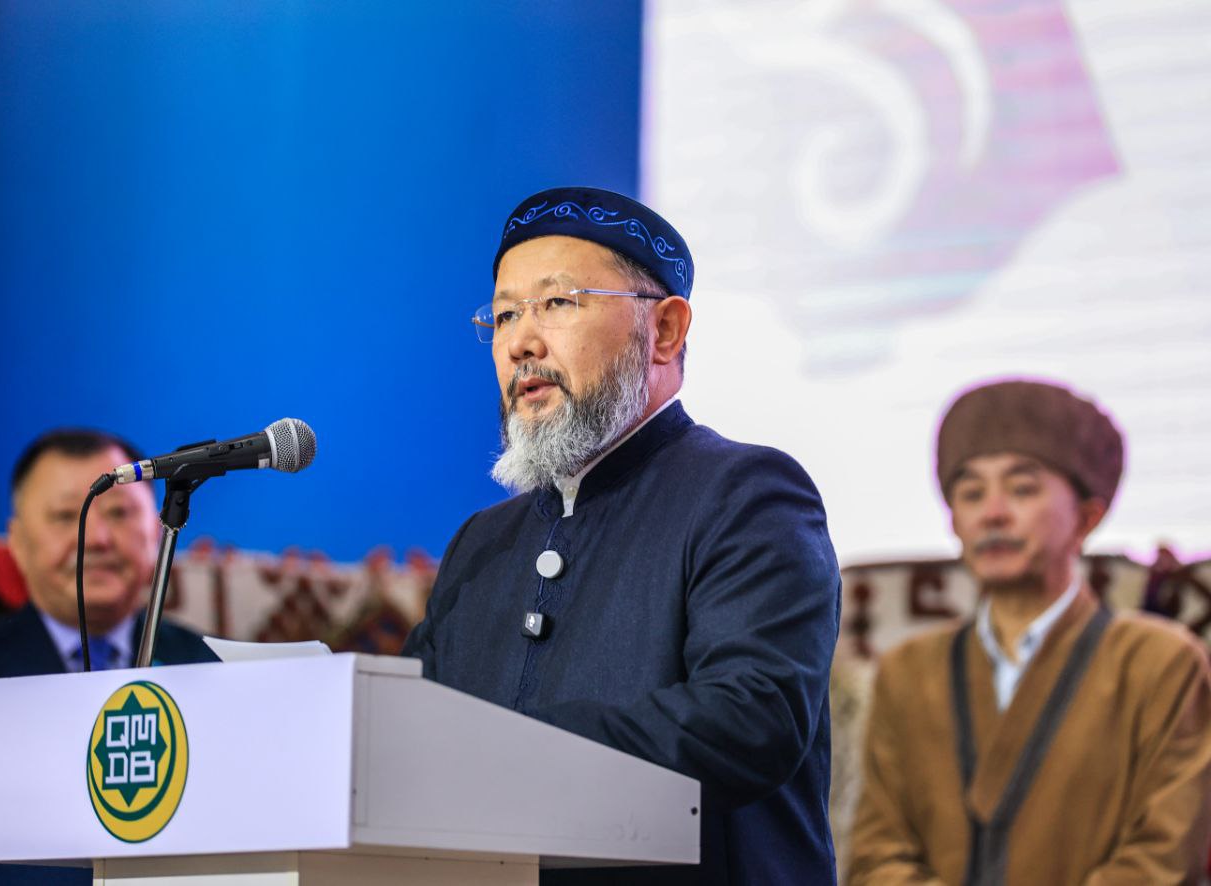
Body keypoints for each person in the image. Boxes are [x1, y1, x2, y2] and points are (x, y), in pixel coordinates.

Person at [403, 186, 842, 884]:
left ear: (664, 330)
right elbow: (406, 736)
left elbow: (749, 719)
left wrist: (503, 749)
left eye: (557, 302)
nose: (520, 342)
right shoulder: (481, 545)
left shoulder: (748, 495)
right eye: (506, 314)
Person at [848, 379, 1211, 885]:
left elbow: (1164, 858)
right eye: (971, 493)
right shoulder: (907, 671)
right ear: (954, 521)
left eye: (1022, 489)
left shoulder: (1161, 663)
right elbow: (876, 857)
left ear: (1087, 517)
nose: (992, 513)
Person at [0, 429, 219, 885]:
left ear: (158, 529)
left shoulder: (214, 670)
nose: (99, 538)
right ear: (17, 543)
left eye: (120, 513)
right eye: (67, 515)